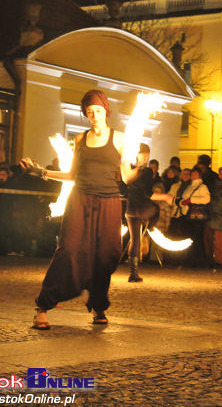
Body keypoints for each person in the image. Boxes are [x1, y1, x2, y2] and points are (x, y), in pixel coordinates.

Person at [20, 89, 145, 329]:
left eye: (98, 110)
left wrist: (139, 167)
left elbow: (126, 177)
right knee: (69, 251)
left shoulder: (119, 139)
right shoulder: (80, 139)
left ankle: (98, 305)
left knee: (107, 255)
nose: (94, 115)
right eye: (89, 112)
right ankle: (43, 307)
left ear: (105, 111)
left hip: (109, 202)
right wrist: (41, 172)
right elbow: (71, 175)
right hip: (81, 200)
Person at [125, 144, 165, 282]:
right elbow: (148, 193)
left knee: (134, 239)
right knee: (156, 210)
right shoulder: (147, 171)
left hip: (130, 209)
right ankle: (148, 232)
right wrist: (166, 197)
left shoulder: (129, 170)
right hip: (142, 208)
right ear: (146, 155)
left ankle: (133, 274)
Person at [170, 166, 211, 266]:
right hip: (187, 215)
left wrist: (191, 200)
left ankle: (198, 261)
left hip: (196, 217)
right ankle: (191, 260)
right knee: (190, 238)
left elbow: (206, 199)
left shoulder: (202, 186)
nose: (192, 175)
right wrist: (181, 203)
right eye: (191, 174)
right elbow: (184, 199)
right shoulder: (190, 186)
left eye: (194, 174)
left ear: (199, 175)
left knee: (196, 239)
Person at [203, 167, 222, 268]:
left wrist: (212, 202)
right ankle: (210, 259)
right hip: (211, 214)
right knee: (208, 239)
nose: (221, 175)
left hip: (220, 215)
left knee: (219, 240)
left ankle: (219, 260)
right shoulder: (213, 185)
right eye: (220, 173)